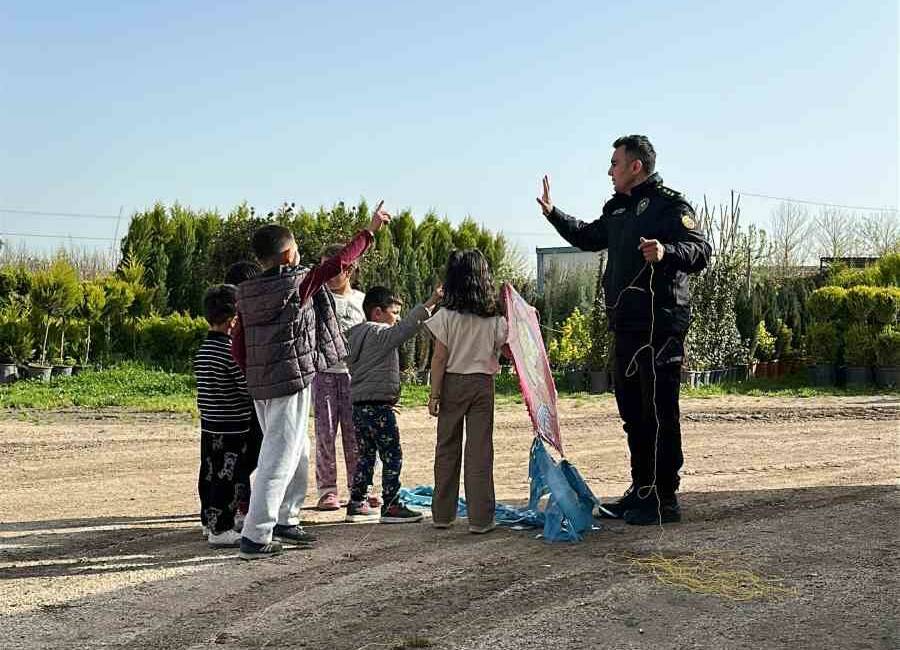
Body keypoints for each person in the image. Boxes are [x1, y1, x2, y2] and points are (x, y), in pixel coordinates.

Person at [537, 134, 711, 525]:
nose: (609, 171)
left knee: (660, 410)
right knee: (633, 412)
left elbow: (700, 251)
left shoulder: (670, 205)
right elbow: (588, 236)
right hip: (626, 325)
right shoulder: (616, 210)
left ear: (636, 166)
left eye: (615, 163)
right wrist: (553, 213)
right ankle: (641, 488)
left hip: (660, 326)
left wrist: (667, 252)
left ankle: (664, 496)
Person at [232, 202, 392, 559]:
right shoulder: (295, 281)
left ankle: (286, 517)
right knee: (279, 456)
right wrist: (369, 231)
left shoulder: (246, 292)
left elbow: (238, 343)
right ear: (289, 254)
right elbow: (336, 265)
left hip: (261, 384)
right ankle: (256, 536)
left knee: (298, 450)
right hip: (289, 381)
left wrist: (251, 373)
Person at [425, 250, 508, 534]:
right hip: (483, 385)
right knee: (480, 452)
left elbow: (439, 357)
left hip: (452, 383)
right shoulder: (496, 318)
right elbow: (506, 349)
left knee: (446, 448)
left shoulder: (446, 315)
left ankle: (442, 515)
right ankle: (481, 519)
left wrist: (435, 394)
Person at [345, 284, 443, 524]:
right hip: (379, 407)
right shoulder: (379, 333)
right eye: (394, 312)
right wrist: (432, 300)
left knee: (366, 456)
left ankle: (356, 502)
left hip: (360, 407)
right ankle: (391, 505)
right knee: (392, 455)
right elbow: (408, 327)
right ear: (377, 312)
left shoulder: (354, 335)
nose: (398, 317)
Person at [194, 284, 255, 547]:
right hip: (233, 426)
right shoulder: (230, 352)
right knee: (229, 478)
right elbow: (244, 388)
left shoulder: (204, 350)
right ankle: (222, 528)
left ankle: (209, 522)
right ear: (233, 321)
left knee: (208, 474)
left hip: (210, 424)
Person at [311, 244, 370, 511]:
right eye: (326, 268)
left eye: (338, 267)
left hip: (354, 376)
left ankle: (360, 488)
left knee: (356, 434)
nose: (332, 274)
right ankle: (327, 490)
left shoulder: (362, 300)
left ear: (350, 269)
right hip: (324, 373)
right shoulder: (316, 298)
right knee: (325, 434)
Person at [223, 260, 263, 530]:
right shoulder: (240, 323)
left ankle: (241, 505)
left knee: (248, 456)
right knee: (249, 456)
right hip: (249, 398)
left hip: (242, 401)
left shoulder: (238, 321)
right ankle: (243, 506)